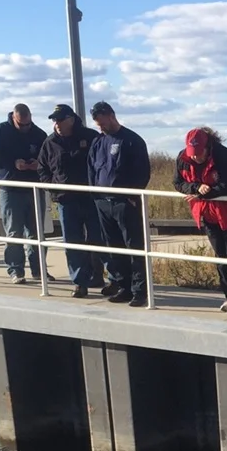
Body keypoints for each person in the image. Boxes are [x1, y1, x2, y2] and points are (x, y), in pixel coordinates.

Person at [173, 127, 227, 316]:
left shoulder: (224, 157)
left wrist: (204, 194)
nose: (196, 158)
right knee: (220, 257)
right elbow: (178, 183)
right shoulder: (183, 159)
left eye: (199, 154)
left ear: (208, 147)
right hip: (208, 215)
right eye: (193, 154)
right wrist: (196, 187)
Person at [37, 103, 106, 298]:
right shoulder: (50, 143)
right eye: (54, 120)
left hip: (91, 199)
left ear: (71, 119)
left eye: (60, 119)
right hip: (66, 200)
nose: (56, 123)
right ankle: (79, 282)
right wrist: (52, 186)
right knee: (72, 242)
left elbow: (102, 164)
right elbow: (43, 168)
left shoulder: (91, 137)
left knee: (97, 239)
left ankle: (100, 276)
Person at [87, 101, 152, 305]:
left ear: (111, 115)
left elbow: (142, 172)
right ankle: (124, 286)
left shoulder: (132, 140)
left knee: (134, 247)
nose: (100, 127)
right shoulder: (98, 142)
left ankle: (140, 291)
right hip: (103, 203)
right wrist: (95, 196)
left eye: (101, 122)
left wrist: (132, 197)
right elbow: (91, 170)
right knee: (114, 247)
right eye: (97, 124)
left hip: (125, 203)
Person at [0, 103, 48, 284]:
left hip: (34, 188)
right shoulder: (0, 131)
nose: (26, 128)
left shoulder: (39, 134)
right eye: (22, 125)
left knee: (37, 233)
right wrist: (13, 163)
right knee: (14, 232)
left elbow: (48, 157)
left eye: (28, 124)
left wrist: (38, 164)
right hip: (10, 189)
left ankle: (39, 270)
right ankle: (16, 270)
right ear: (14, 117)